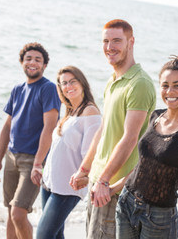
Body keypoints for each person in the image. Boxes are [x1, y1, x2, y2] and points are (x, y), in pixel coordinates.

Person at [70, 19, 156, 238]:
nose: (110, 47)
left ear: (131, 42)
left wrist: (104, 180)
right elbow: (103, 130)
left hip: (114, 188)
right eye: (106, 41)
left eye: (117, 40)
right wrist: (85, 169)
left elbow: (130, 137)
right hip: (98, 182)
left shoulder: (139, 83)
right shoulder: (113, 81)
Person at [115, 55, 178, 239]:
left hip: (159, 218)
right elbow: (142, 165)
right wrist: (116, 186)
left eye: (177, 85)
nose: (170, 91)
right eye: (165, 85)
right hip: (127, 203)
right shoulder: (155, 116)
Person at [0, 42, 61, 239]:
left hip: (32, 160)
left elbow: (50, 127)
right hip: (11, 157)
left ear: (44, 65)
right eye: (28, 59)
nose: (33, 63)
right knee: (11, 213)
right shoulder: (17, 89)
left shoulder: (48, 89)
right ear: (21, 62)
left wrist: (38, 163)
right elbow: (7, 126)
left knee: (19, 213)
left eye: (38, 60)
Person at [36, 66, 101, 239]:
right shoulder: (70, 113)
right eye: (64, 83)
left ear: (82, 84)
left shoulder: (90, 112)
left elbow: (91, 152)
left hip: (68, 187)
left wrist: (86, 176)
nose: (68, 86)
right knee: (56, 235)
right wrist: (40, 169)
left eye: (73, 81)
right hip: (49, 183)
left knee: (43, 235)